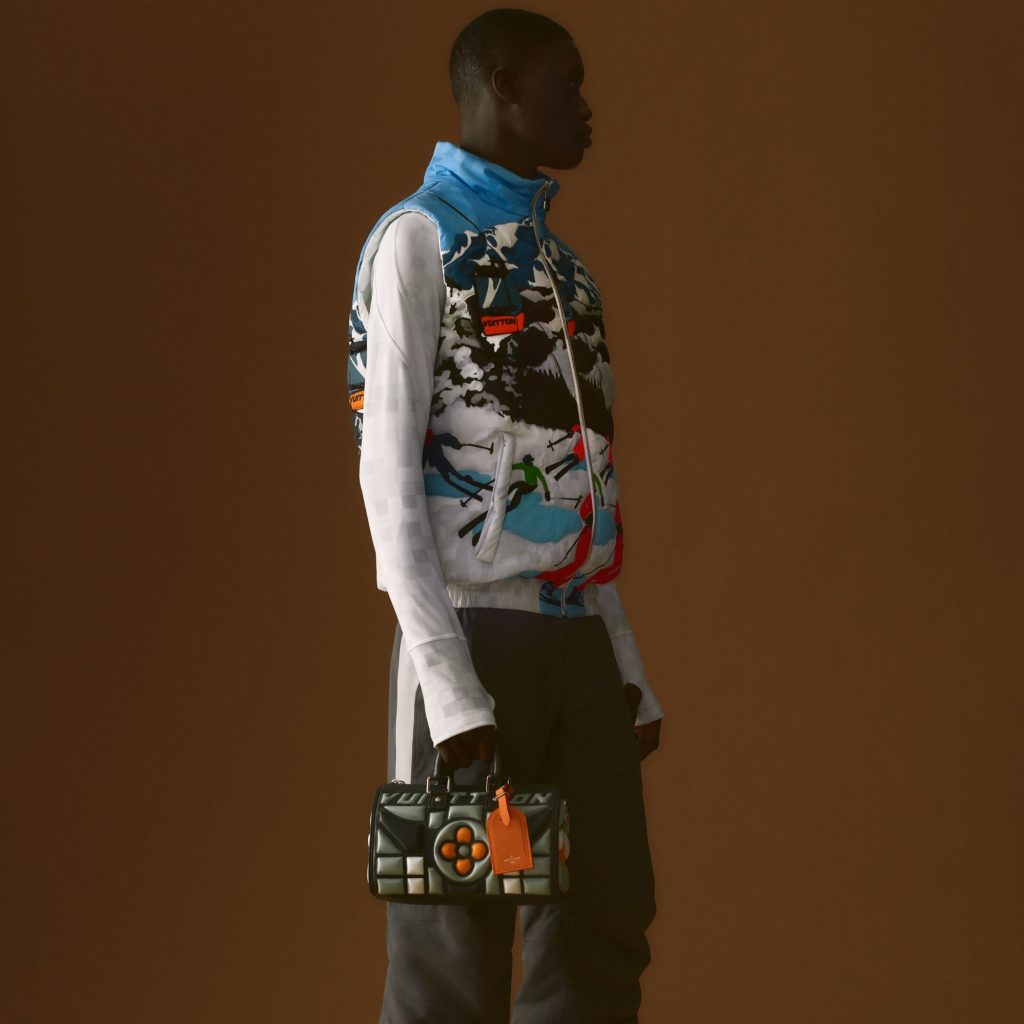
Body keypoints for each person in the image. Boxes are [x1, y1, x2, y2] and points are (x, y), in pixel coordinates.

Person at [346, 9, 663, 1022]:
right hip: (469, 639)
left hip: (578, 646)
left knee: (604, 934)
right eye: (567, 83)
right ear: (502, 84)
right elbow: (388, 481)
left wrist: (622, 662)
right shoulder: (417, 241)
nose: (587, 107)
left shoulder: (568, 277)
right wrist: (448, 690)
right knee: (451, 957)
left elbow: (582, 490)